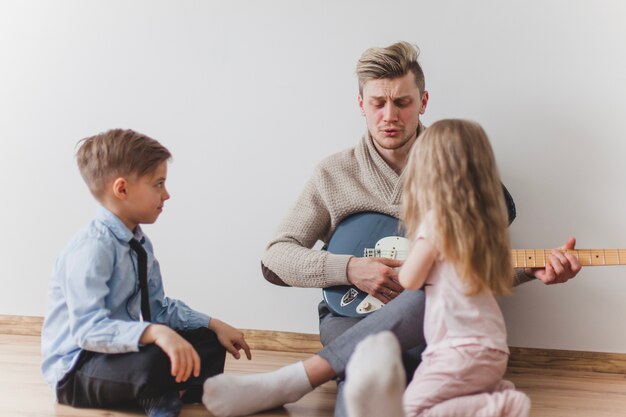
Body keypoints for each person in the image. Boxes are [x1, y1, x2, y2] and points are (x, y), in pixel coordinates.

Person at [201, 42, 581, 417]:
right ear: (361, 105)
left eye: (402, 102)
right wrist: (350, 269)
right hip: (348, 314)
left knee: (415, 314)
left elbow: (467, 270)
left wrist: (529, 270)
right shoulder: (333, 174)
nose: (389, 116)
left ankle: (293, 381)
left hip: (433, 318)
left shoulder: (459, 170)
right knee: (367, 370)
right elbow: (275, 257)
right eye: (377, 103)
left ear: (423, 102)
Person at [41, 129, 251, 417]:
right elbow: (88, 331)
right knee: (153, 359)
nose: (167, 194)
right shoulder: (91, 249)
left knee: (207, 339)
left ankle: (175, 390)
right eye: (158, 184)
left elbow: (158, 310)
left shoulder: (140, 244)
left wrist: (213, 324)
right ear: (122, 189)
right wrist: (155, 333)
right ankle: (163, 394)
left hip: (119, 353)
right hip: (79, 369)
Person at [344, 119, 531, 417]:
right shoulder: (484, 228)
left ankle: (502, 404)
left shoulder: (436, 220)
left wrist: (410, 258)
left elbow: (409, 278)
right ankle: (494, 396)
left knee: (410, 411)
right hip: (491, 347)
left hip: (457, 351)